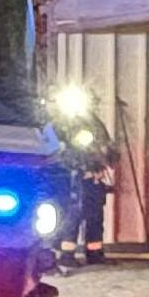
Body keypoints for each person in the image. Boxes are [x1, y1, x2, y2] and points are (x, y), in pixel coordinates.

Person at [47, 83, 114, 269]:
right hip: (76, 177)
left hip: (95, 178)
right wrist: (84, 168)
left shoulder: (95, 123)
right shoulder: (65, 124)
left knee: (94, 215)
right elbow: (70, 152)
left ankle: (95, 252)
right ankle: (67, 254)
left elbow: (105, 149)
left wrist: (104, 163)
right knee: (73, 214)